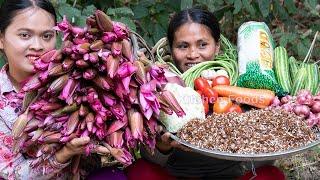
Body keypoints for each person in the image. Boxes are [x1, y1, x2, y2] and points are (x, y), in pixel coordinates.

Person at [126, 7, 285, 180]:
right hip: (178, 175)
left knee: (271, 176)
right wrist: (163, 145)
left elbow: (266, 160)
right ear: (171, 50)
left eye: (203, 44)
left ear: (217, 46)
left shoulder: (243, 83)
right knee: (140, 171)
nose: (193, 54)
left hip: (231, 176)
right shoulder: (161, 90)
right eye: (183, 46)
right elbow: (150, 158)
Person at [0, 1, 112, 179]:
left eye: (46, 36)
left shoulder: (79, 76)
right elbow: (12, 173)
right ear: (1, 40)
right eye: (24, 35)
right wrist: (65, 153)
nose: (37, 46)